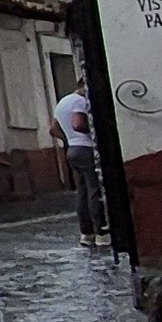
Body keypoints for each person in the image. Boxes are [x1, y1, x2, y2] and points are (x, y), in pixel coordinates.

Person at [53, 83, 105, 244]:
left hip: (72, 149)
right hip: (86, 148)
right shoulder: (80, 101)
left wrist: (69, 140)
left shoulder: (62, 102)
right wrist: (94, 133)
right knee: (94, 189)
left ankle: (86, 232)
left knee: (82, 191)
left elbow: (53, 129)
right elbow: (77, 123)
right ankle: (101, 231)